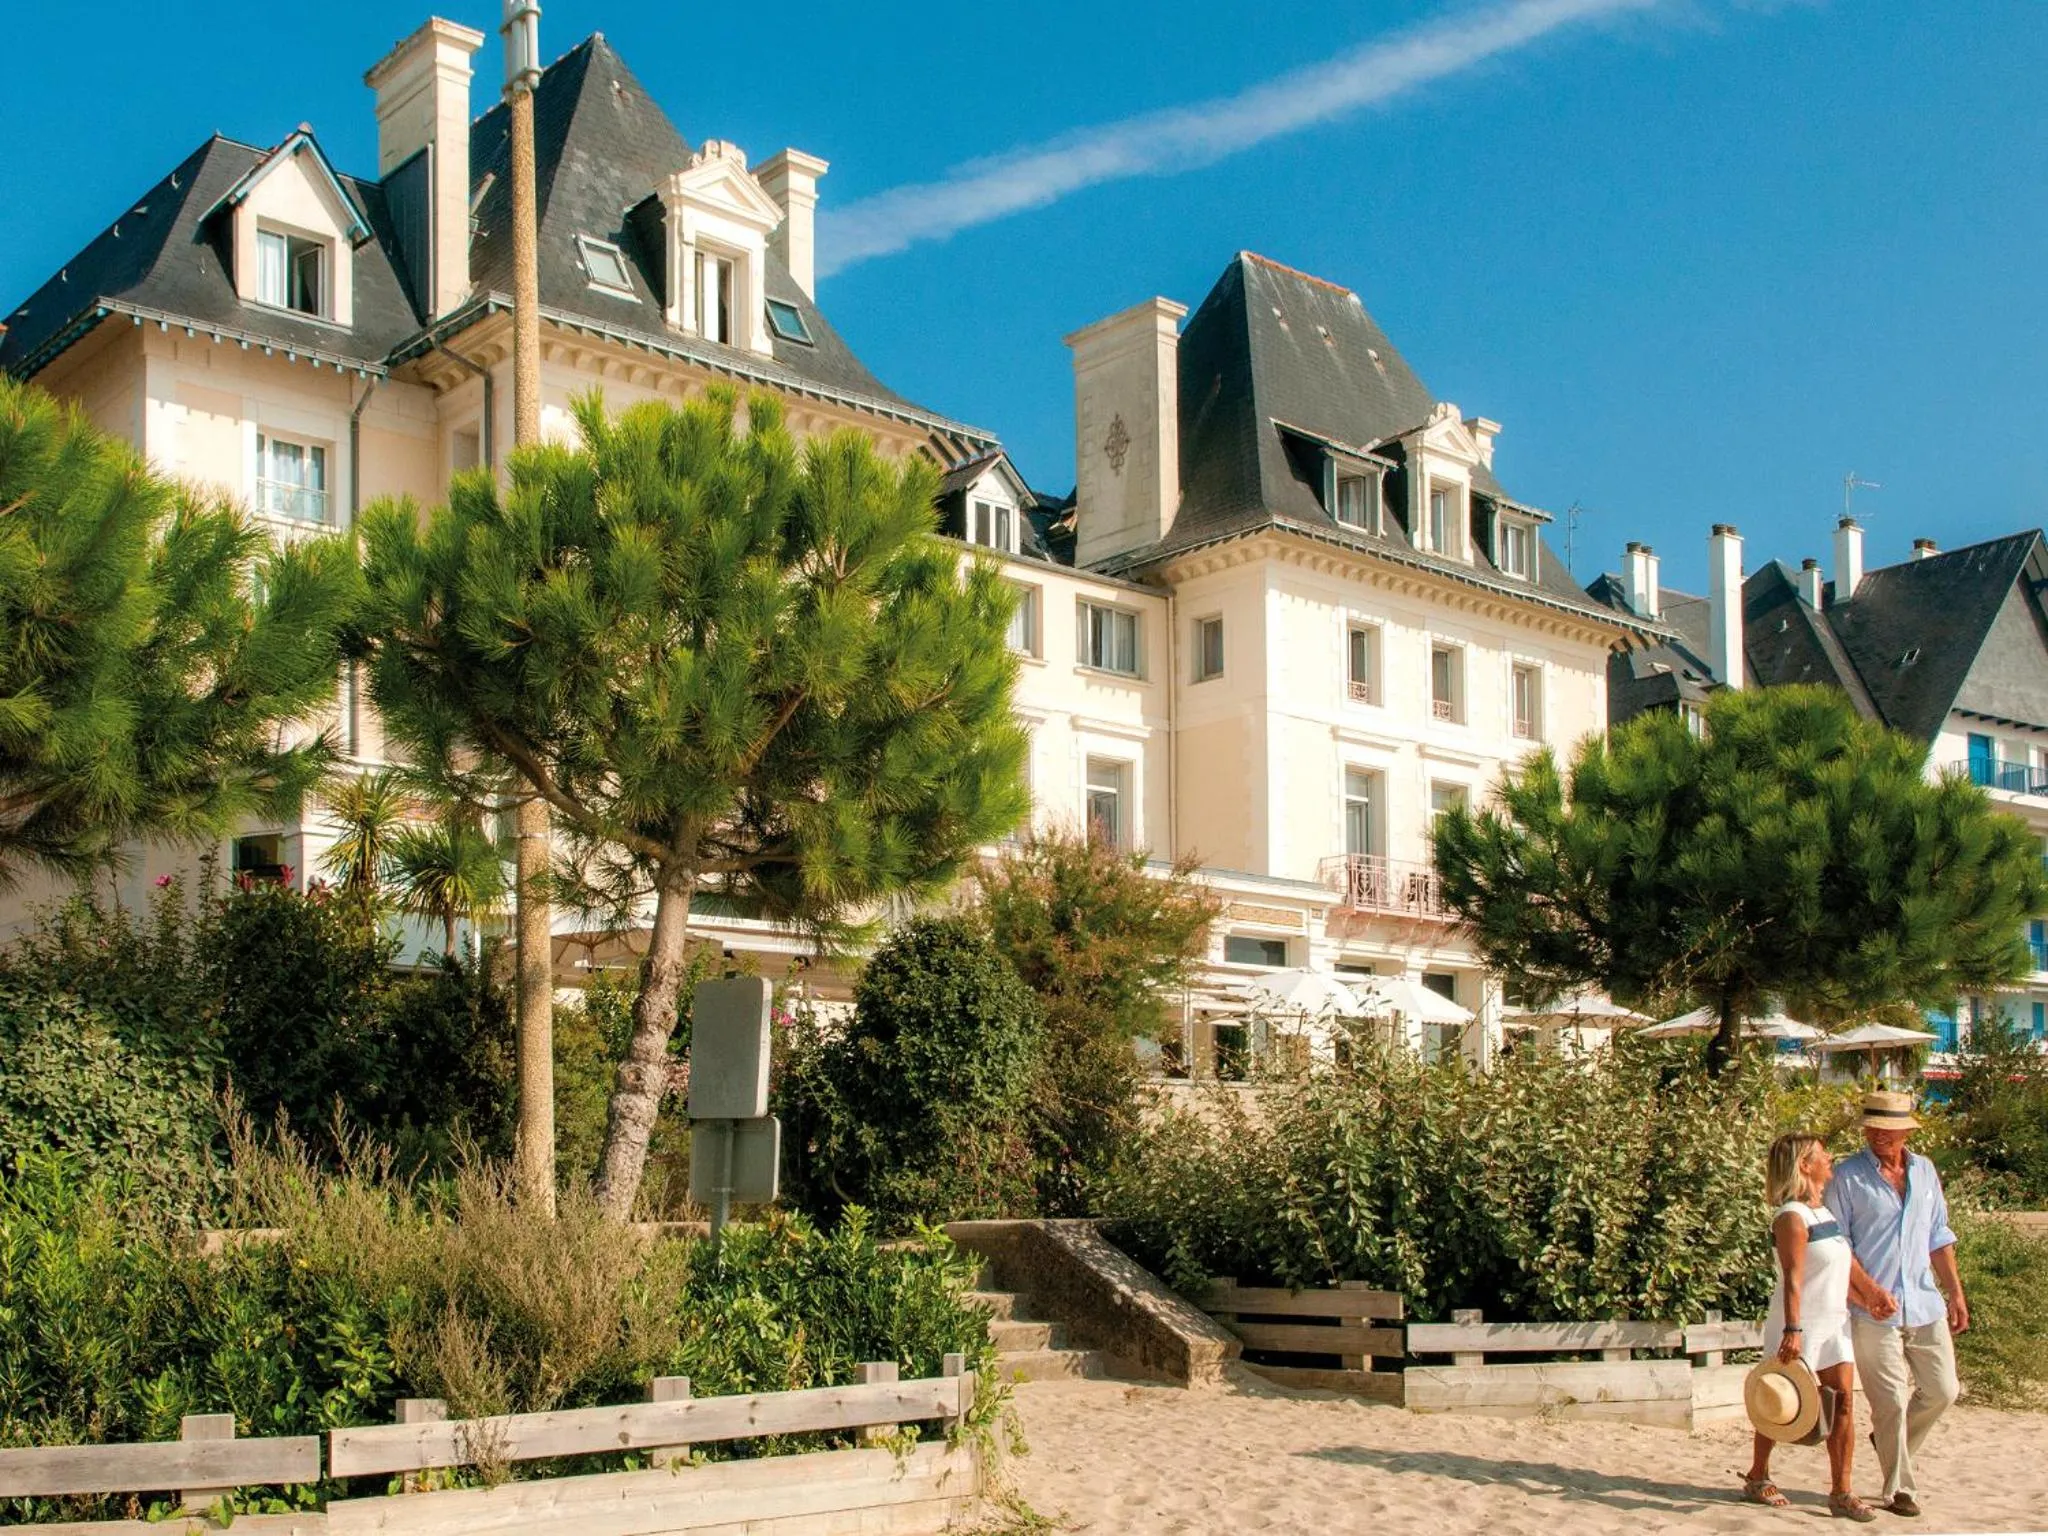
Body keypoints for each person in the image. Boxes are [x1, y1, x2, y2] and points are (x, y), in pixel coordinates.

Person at [1824, 1090, 1966, 1521]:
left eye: (1888, 1128)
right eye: (1873, 1127)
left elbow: (1938, 1235)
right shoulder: (1847, 1176)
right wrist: (1868, 1291)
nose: (1880, 1135)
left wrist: (1955, 1292)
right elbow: (1835, 1242)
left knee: (1944, 1391)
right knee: (1890, 1401)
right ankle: (1899, 1489)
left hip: (1924, 1302)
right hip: (1871, 1309)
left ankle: (1889, 1441)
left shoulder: (1925, 1171)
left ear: (1906, 1130)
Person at [1743, 1132, 1878, 1520]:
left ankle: (1841, 1491)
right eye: (1822, 1155)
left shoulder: (1823, 1212)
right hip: (1799, 1323)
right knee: (1780, 1402)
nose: (1829, 1159)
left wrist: (1870, 1295)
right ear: (1805, 1164)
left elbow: (1841, 1266)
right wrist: (1793, 1329)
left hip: (1835, 1323)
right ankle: (1757, 1475)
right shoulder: (1791, 1217)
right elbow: (1792, 1277)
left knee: (1844, 1404)